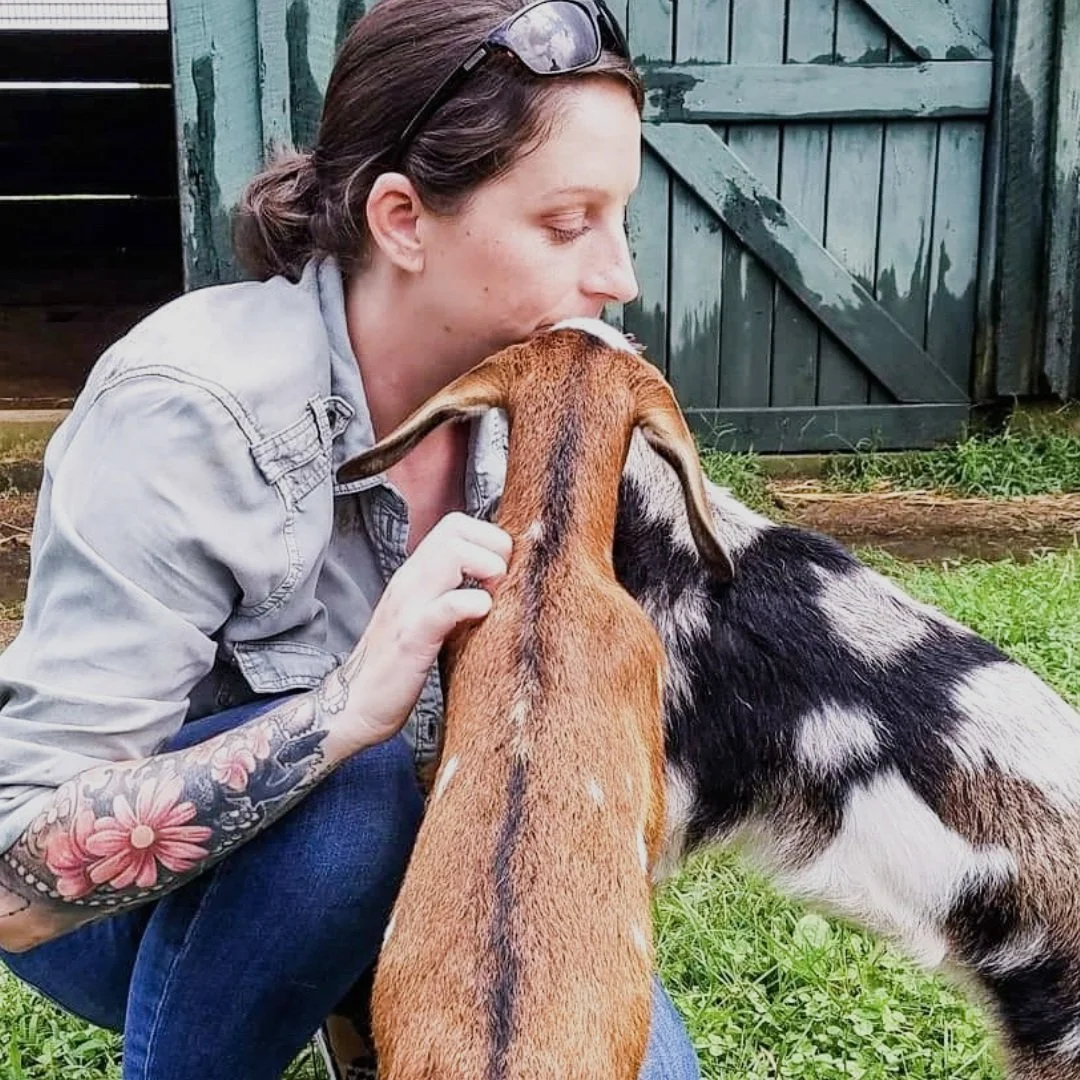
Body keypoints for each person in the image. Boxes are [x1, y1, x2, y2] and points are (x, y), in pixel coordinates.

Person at [0, 1, 702, 1077]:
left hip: (450, 874)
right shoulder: (186, 410)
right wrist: (342, 711)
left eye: (621, 221)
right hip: (140, 909)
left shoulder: (561, 403)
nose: (620, 278)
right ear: (403, 219)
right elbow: (14, 887)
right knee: (350, 801)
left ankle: (369, 995)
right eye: (568, 225)